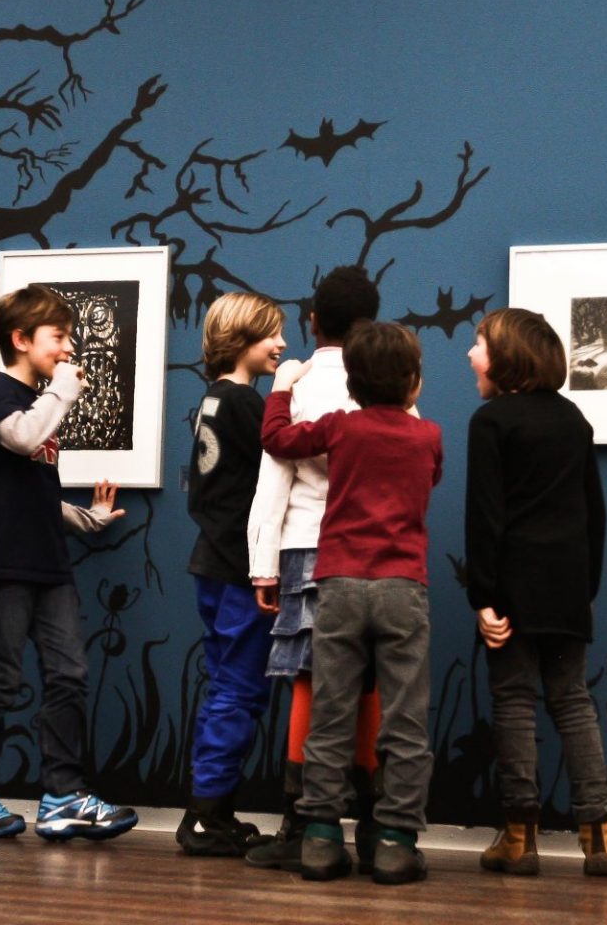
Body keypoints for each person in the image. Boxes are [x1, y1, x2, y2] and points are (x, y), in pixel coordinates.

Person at [0, 283, 138, 841]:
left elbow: (33, 494)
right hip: (1, 563)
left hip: (49, 564)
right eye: (58, 336)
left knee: (70, 674)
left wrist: (88, 519)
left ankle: (61, 798)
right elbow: (20, 438)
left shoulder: (40, 401)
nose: (69, 347)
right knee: (1, 679)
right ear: (21, 339)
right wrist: (61, 391)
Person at [261, 321, 442, 886]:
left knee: (330, 711)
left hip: (337, 583)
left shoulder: (340, 426)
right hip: (402, 587)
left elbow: (278, 440)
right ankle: (394, 843)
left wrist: (283, 389)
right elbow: (430, 479)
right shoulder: (429, 435)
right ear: (413, 382)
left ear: (353, 385)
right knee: (404, 717)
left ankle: (319, 839)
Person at [464, 308, 607, 876]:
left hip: (512, 586)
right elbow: (594, 513)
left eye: (479, 344)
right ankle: (599, 839)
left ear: (506, 358)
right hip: (568, 585)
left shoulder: (491, 422)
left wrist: (482, 596)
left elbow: (485, 517)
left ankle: (519, 838)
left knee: (513, 700)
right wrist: (586, 588)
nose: (471, 355)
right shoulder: (574, 418)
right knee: (573, 701)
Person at [243, 265, 384, 873]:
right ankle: (376, 828)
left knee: (307, 681)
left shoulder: (296, 385)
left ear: (313, 322)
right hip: (374, 551)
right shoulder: (386, 380)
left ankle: (300, 826)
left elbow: (273, 480)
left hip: (306, 545)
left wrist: (263, 566)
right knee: (369, 683)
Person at [176, 292, 286, 856]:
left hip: (212, 563)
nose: (282, 344)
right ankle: (208, 815)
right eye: (271, 334)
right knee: (239, 691)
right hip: (240, 569)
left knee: (226, 687)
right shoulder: (245, 403)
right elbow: (287, 453)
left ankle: (208, 810)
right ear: (241, 339)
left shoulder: (212, 400)